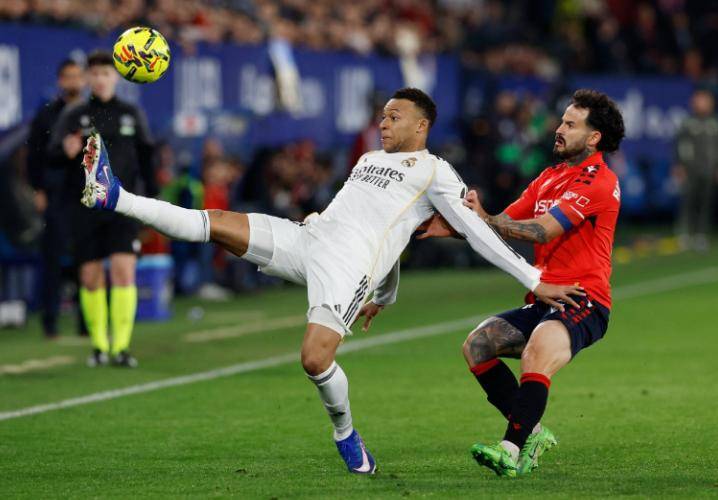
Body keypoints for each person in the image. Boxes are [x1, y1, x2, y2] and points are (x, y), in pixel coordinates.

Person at [77, 87, 582, 474]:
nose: (383, 122)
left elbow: (475, 232)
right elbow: (388, 232)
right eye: (382, 116)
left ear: (422, 125)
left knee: (314, 359)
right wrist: (386, 293)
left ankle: (346, 434)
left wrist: (533, 277)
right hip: (309, 239)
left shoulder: (435, 172)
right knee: (216, 222)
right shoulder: (368, 160)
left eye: (395, 116)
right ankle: (112, 195)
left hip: (346, 269)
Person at [420, 89, 625, 477]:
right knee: (477, 346)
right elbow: (504, 223)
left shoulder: (599, 181)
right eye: (561, 121)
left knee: (536, 351)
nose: (559, 129)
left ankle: (511, 451)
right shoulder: (549, 177)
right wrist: (454, 227)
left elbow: (541, 230)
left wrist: (486, 219)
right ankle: (533, 431)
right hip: (544, 297)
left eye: (570, 124)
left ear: (594, 137)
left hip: (583, 299)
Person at [49, 50, 157, 367]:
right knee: (90, 276)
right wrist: (65, 151)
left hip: (123, 206)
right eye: (94, 74)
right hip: (86, 207)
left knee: (124, 270)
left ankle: (121, 347)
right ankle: (99, 346)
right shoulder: (75, 115)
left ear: (116, 77)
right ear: (87, 78)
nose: (100, 79)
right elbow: (52, 156)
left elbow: (147, 157)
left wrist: (152, 199)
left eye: (106, 73)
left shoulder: (131, 114)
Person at [26, 58, 86, 339]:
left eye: (77, 76)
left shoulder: (93, 113)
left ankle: (87, 323)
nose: (73, 81)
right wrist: (38, 189)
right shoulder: (47, 114)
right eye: (68, 76)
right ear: (61, 81)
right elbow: (34, 154)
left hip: (86, 194)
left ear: (83, 80)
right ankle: (49, 322)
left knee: (88, 258)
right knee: (52, 259)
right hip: (57, 194)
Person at [673, 88, 718, 252]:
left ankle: (701, 234)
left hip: (708, 169)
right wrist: (679, 165)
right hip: (690, 169)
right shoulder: (688, 123)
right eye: (699, 100)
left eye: (705, 100)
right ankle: (684, 233)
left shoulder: (714, 123)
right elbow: (679, 146)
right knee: (688, 201)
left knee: (705, 202)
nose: (702, 103)